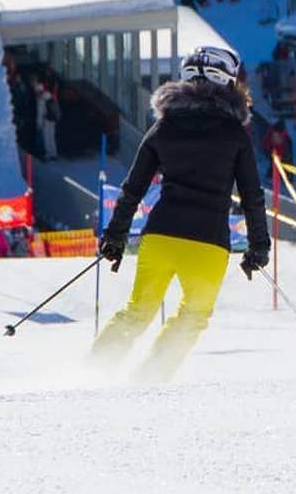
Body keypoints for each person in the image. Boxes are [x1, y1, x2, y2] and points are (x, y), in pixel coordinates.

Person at [94, 47, 270, 381]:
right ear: (229, 82)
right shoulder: (234, 134)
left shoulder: (164, 127)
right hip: (208, 243)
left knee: (137, 312)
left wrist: (115, 236)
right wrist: (258, 246)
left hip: (161, 235)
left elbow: (133, 188)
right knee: (193, 315)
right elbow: (252, 196)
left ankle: (92, 371)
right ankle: (149, 380)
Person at [35, 75, 59, 161]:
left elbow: (41, 111)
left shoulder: (43, 97)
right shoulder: (50, 95)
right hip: (52, 117)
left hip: (46, 118)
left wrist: (39, 122)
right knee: (52, 136)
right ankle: (54, 153)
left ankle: (48, 154)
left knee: (46, 136)